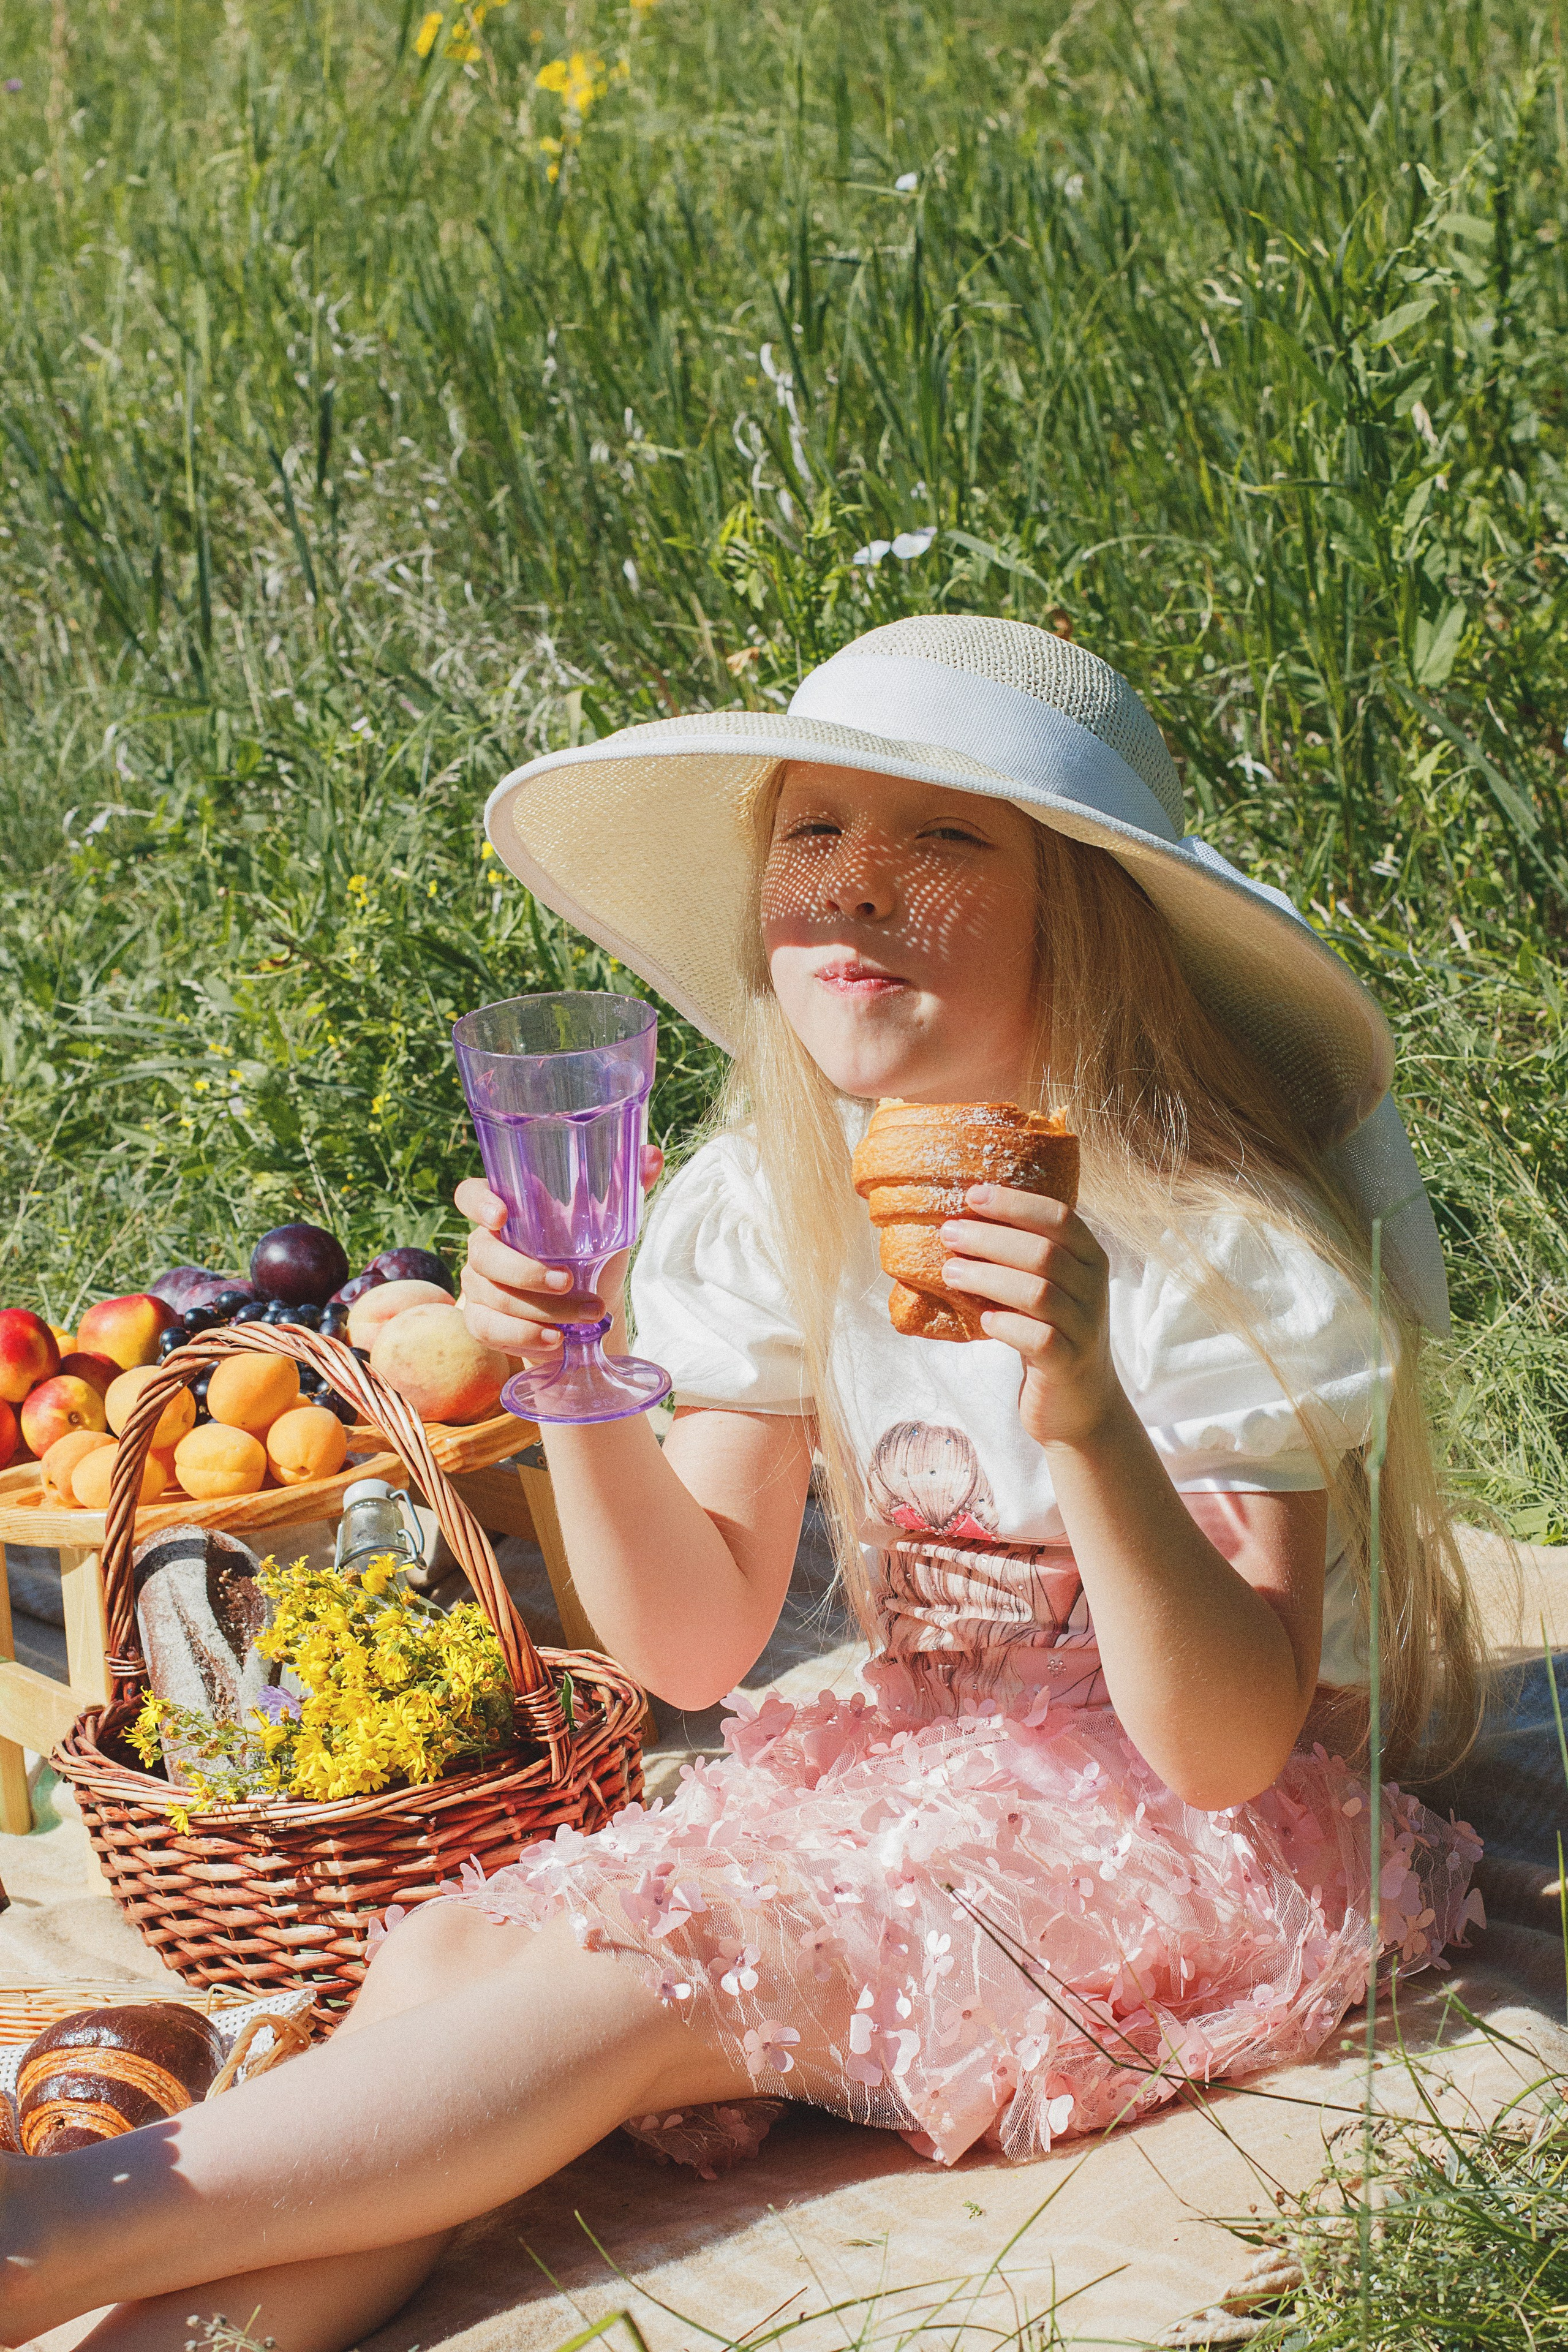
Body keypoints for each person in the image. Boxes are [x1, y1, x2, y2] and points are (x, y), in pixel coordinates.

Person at [16, 618, 1487, 2352]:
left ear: (1082, 913)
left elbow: (1227, 1748)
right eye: (814, 835)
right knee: (447, 1969)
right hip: (920, 1767)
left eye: (944, 839)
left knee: (628, 1977)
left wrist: (1082, 1404)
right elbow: (698, 1649)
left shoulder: (1212, 1250)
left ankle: (34, 2232)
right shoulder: (762, 1199)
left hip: (1170, 1843)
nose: (858, 892)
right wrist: (568, 1373)